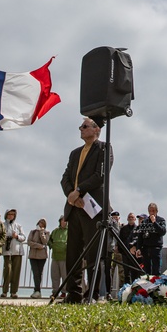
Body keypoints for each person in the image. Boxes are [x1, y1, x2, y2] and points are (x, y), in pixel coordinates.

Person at [60, 117, 112, 303]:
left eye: (84, 126)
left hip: (92, 208)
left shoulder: (104, 148)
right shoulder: (75, 153)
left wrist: (80, 191)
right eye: (80, 126)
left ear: (96, 129)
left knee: (92, 253)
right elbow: (65, 177)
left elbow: (101, 175)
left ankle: (93, 293)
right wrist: (71, 196)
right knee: (72, 252)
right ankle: (73, 293)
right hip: (74, 207)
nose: (80, 129)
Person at [133, 203, 167, 276]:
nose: (152, 212)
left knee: (156, 270)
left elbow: (162, 231)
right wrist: (138, 248)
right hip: (146, 248)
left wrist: (154, 222)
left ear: (157, 211)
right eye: (150, 211)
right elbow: (140, 236)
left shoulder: (161, 220)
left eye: (153, 211)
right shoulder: (144, 222)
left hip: (156, 248)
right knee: (146, 271)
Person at [1, 209, 25, 298]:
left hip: (17, 251)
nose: (11, 216)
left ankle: (14, 291)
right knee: (7, 270)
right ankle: (4, 291)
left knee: (16, 272)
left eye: (12, 214)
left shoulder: (18, 225)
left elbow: (23, 237)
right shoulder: (2, 225)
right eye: (9, 214)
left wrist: (17, 236)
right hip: (7, 251)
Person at [27, 218, 50, 298]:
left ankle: (37, 290)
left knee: (39, 273)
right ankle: (37, 290)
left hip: (42, 256)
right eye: (40, 223)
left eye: (43, 223)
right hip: (33, 255)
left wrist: (41, 232)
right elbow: (29, 242)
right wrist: (38, 246)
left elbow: (45, 242)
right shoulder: (32, 232)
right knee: (35, 273)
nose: (41, 224)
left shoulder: (46, 233)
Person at [49, 216, 68, 296]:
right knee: (55, 276)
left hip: (64, 257)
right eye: (62, 221)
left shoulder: (70, 231)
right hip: (55, 257)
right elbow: (49, 241)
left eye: (65, 221)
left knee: (65, 276)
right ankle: (55, 292)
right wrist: (52, 246)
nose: (64, 222)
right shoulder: (55, 231)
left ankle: (64, 292)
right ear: (60, 221)